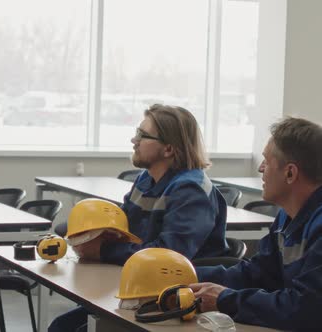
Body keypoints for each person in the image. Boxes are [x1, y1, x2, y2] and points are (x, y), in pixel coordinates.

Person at [49, 104, 229, 332]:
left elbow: (168, 257)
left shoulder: (191, 191)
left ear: (168, 149)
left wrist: (103, 251)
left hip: (173, 298)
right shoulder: (146, 179)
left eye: (143, 136)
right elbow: (125, 231)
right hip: (139, 286)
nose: (134, 140)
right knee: (61, 326)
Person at [190, 117, 322, 330]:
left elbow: (305, 309)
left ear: (290, 173)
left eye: (266, 161)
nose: (260, 168)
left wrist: (224, 300)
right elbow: (257, 274)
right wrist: (183, 274)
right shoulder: (286, 217)